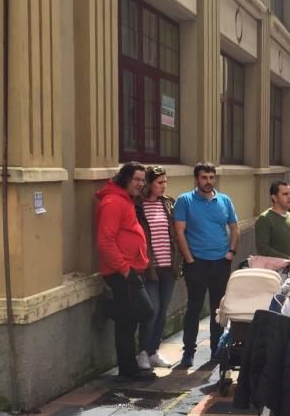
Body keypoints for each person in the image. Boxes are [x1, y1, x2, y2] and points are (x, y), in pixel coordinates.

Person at [174, 162, 240, 368]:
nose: (208, 182)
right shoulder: (185, 200)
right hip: (197, 262)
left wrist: (231, 253)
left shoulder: (225, 200)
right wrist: (189, 258)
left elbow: (235, 228)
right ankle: (188, 353)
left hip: (221, 262)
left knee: (218, 309)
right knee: (194, 308)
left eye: (211, 177)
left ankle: (216, 350)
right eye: (204, 178)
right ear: (196, 179)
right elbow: (179, 232)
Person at [95, 162, 156, 381]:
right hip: (121, 272)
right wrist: (125, 269)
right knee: (141, 313)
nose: (141, 184)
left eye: (142, 180)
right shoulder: (113, 202)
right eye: (136, 179)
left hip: (129, 270)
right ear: (125, 179)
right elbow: (105, 241)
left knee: (128, 321)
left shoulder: (124, 199)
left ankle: (128, 369)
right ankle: (108, 309)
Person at [135, 165, 182, 370]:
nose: (164, 186)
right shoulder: (138, 206)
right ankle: (142, 352)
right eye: (160, 182)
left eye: (165, 182)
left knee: (163, 311)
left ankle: (153, 351)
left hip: (168, 267)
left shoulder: (168, 204)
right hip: (150, 269)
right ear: (149, 184)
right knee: (151, 311)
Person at [254, 181, 290, 265]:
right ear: (275, 197)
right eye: (285, 194)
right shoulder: (265, 219)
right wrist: (288, 259)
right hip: (277, 271)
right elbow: (263, 248)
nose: (289, 197)